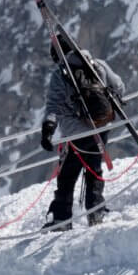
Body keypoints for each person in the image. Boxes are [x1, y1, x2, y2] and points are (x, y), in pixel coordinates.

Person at [40, 34, 124, 230]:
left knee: (67, 175)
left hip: (76, 135)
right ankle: (96, 211)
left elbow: (54, 107)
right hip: (101, 127)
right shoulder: (97, 64)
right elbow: (119, 86)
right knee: (94, 169)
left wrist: (47, 131)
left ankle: (62, 219)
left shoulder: (61, 74)